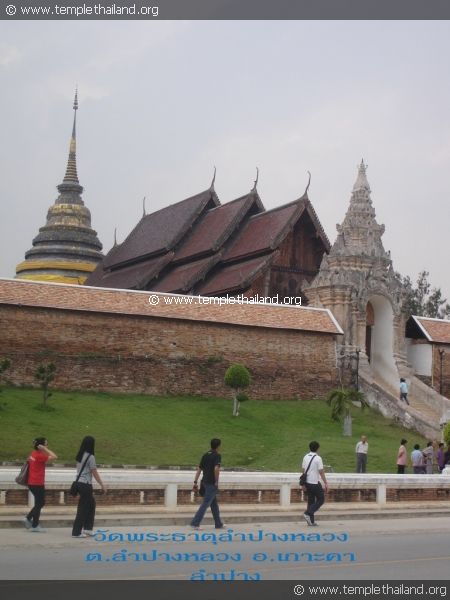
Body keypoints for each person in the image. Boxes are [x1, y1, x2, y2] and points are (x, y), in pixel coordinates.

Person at [71, 436, 107, 538]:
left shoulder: (80, 455)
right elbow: (94, 472)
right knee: (83, 508)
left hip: (79, 483)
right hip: (86, 485)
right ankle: (76, 532)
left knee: (91, 505)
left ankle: (88, 529)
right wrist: (102, 485)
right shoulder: (90, 457)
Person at [25, 437, 57, 532]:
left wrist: (43, 449)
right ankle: (34, 525)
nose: (47, 446)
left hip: (33, 482)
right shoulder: (39, 456)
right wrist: (45, 449)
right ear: (41, 446)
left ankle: (29, 519)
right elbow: (55, 456)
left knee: (40, 503)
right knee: (39, 503)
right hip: (37, 483)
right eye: (46, 444)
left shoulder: (33, 454)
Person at [190, 438, 223, 530]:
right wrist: (216, 481)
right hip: (211, 483)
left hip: (204, 482)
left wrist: (195, 482)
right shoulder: (217, 456)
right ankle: (195, 523)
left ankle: (218, 524)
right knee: (205, 504)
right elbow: (216, 468)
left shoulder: (205, 455)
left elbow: (199, 469)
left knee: (214, 504)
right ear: (218, 446)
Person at [301, 441, 329, 526]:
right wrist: (325, 482)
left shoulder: (305, 456)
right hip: (314, 482)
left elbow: (303, 470)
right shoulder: (318, 458)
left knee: (311, 501)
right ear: (317, 448)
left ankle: (311, 521)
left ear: (310, 447)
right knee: (321, 499)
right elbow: (321, 471)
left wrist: (303, 483)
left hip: (307, 482)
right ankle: (308, 513)